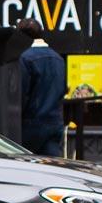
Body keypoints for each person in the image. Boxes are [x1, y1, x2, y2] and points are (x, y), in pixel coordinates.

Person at [16, 17, 67, 156]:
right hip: (55, 121)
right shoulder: (58, 58)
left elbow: (23, 93)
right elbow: (62, 89)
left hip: (31, 123)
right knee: (53, 170)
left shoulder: (24, 58)